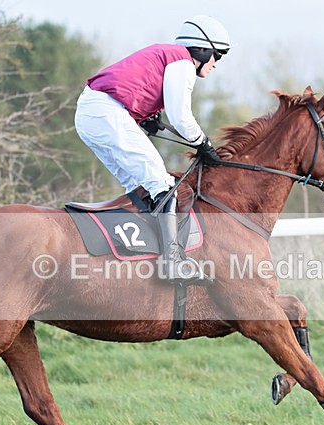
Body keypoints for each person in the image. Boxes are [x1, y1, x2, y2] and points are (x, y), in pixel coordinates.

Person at [75, 15, 230, 285]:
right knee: (163, 185)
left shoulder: (169, 55)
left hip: (93, 112)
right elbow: (181, 116)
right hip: (105, 112)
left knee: (139, 186)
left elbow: (140, 86)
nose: (217, 63)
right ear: (202, 49)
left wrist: (146, 115)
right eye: (218, 55)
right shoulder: (182, 61)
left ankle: (141, 255)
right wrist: (202, 143)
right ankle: (173, 262)